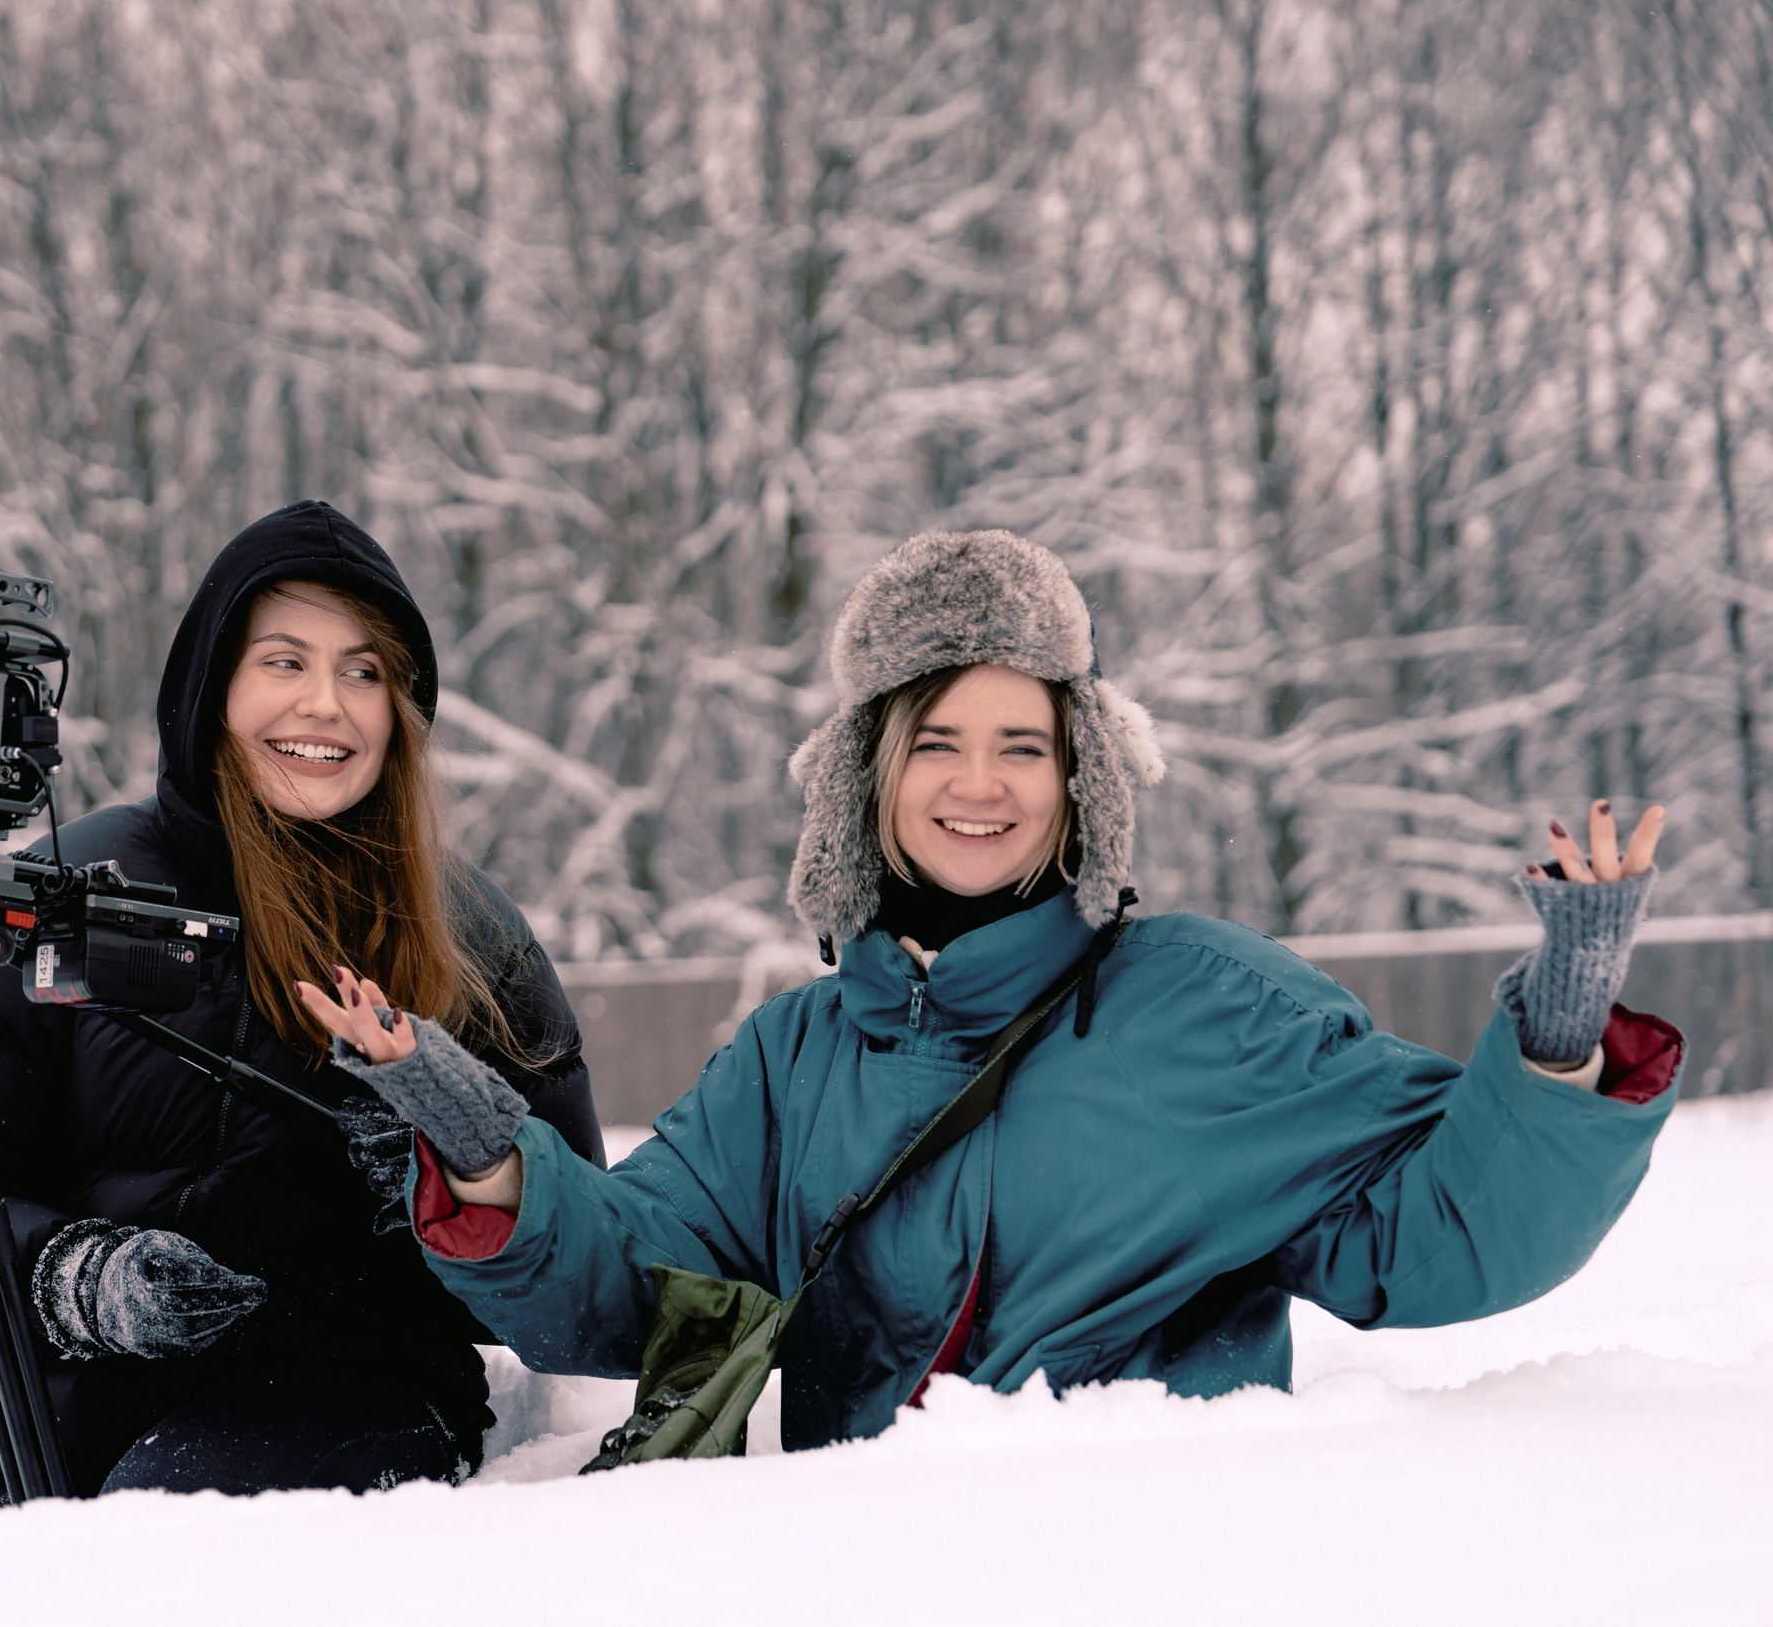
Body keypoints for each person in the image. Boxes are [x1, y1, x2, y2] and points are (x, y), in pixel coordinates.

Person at [302, 528, 1682, 1453]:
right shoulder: (792, 1058)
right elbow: (628, 1293)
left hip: (1159, 1568)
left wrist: (1563, 1009)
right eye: (937, 741)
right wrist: (480, 1140)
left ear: (1080, 773)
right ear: (868, 780)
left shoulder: (1212, 1004)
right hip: (875, 1578)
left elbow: (1434, 1239)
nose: (980, 784)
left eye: (1022, 743)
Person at [0, 500, 603, 1494]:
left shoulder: (468, 928)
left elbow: (575, 1280)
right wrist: (80, 1278)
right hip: (79, 1408)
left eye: (363, 670)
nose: (325, 703)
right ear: (210, 683)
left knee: (168, 1530)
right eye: (284, 660)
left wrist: (445, 1182)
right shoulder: (71, 887)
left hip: (360, 1400)